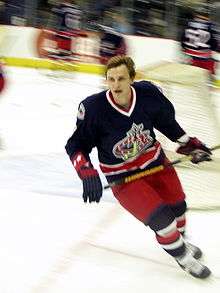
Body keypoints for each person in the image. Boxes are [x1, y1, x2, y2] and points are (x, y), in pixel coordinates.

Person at [65, 55, 212, 279]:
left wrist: (188, 144)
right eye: (111, 79)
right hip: (124, 177)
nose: (115, 85)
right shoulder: (94, 109)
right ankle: (182, 257)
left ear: (132, 79)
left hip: (156, 162)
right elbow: (75, 145)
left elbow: (167, 123)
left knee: (179, 208)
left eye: (121, 79)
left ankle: (181, 241)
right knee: (162, 219)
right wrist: (86, 172)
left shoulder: (149, 94)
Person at [181, 4, 219, 79]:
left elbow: (183, 38)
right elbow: (214, 43)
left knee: (190, 75)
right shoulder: (210, 26)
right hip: (204, 56)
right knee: (209, 73)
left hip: (189, 55)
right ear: (207, 16)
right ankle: (210, 80)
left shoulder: (189, 23)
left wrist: (184, 48)